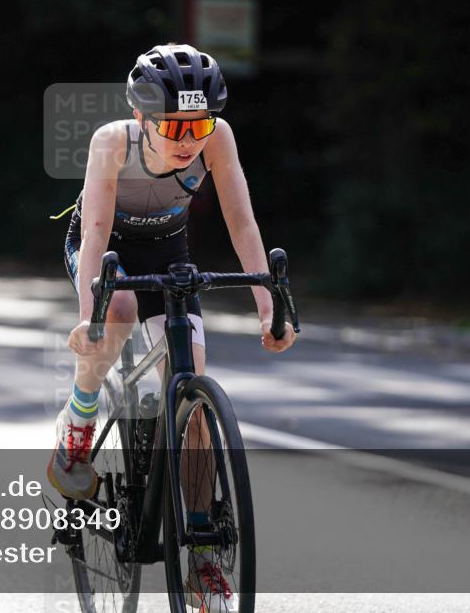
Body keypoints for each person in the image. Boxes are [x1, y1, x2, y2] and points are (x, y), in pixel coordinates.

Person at [47, 43, 296, 611]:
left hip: (168, 248)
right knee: (122, 314)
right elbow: (95, 235)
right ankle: (80, 421)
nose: (189, 140)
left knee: (193, 389)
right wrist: (89, 318)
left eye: (199, 125)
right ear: (141, 116)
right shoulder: (112, 143)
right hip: (106, 248)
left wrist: (266, 307)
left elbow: (242, 222)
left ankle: (204, 556)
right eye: (175, 127)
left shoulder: (218, 138)